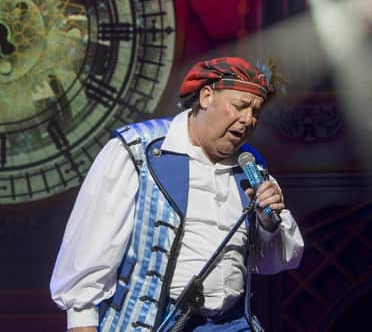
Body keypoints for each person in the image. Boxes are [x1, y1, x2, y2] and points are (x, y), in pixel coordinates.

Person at [50, 57, 304, 332]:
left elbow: (280, 260)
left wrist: (268, 223)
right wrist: (82, 324)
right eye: (239, 106)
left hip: (231, 324)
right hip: (156, 323)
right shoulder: (138, 150)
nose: (248, 120)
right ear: (207, 96)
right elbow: (89, 250)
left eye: (255, 112)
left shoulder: (251, 166)